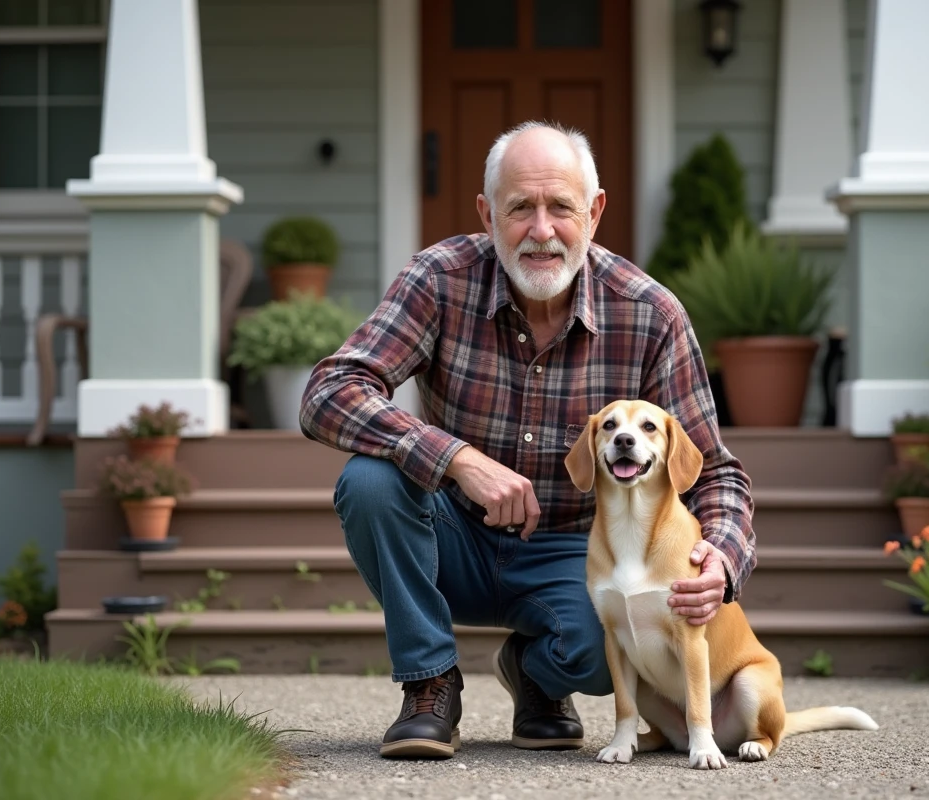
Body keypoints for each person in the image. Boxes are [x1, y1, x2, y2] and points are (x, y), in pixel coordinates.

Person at [299, 120, 756, 759]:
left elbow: (713, 473)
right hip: (448, 534)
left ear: (594, 213)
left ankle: (538, 673)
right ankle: (430, 682)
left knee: (603, 651)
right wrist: (454, 458)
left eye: (561, 207)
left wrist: (723, 561)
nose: (541, 230)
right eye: (520, 208)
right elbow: (328, 391)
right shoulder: (439, 279)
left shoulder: (649, 314)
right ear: (488, 214)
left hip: (573, 553)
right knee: (370, 482)